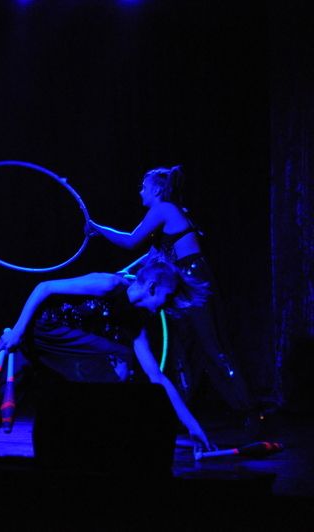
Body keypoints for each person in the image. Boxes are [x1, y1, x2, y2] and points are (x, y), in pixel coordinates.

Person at [0, 261, 214, 453]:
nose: (166, 307)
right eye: (167, 297)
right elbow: (44, 287)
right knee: (119, 360)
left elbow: (157, 377)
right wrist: (17, 332)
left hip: (60, 353)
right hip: (43, 335)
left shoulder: (137, 320)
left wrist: (193, 426)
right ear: (153, 286)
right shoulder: (108, 284)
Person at [85, 165, 259, 431]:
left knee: (211, 344)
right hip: (178, 279)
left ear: (156, 189)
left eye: (144, 187)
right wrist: (125, 271)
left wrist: (95, 227)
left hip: (192, 277)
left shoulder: (164, 209)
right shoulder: (166, 216)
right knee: (181, 347)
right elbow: (153, 257)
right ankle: (179, 411)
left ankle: (248, 409)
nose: (140, 191)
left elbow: (131, 241)